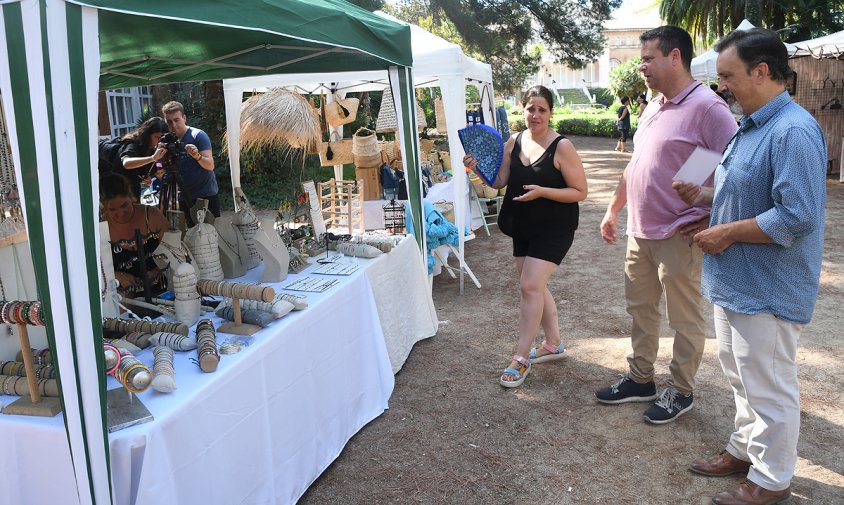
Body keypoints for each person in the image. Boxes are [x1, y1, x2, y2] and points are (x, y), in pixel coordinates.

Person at [673, 28, 826, 505]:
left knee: (769, 385)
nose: (721, 87)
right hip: (736, 280)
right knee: (742, 376)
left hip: (768, 286)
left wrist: (726, 232)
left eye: (727, 76)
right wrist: (704, 200)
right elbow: (746, 194)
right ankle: (744, 450)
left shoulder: (793, 131)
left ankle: (772, 480)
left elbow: (797, 215)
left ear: (762, 72)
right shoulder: (754, 124)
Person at [595, 25, 737, 424]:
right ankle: (642, 378)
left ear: (675, 57)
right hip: (640, 231)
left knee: (683, 318)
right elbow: (638, 164)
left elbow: (736, 171)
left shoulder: (708, 108)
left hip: (679, 234)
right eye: (640, 59)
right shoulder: (654, 105)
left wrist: (711, 215)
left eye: (647, 59)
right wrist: (614, 208)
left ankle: (682, 390)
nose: (641, 66)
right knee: (640, 309)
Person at [462, 85, 587, 388]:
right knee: (535, 287)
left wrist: (543, 191)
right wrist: (477, 170)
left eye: (542, 109)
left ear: (550, 113)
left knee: (530, 285)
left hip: (555, 226)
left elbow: (580, 192)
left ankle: (520, 357)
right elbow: (502, 181)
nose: (535, 114)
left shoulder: (562, 147)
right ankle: (553, 343)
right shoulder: (513, 142)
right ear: (522, 109)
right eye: (531, 108)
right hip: (522, 224)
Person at [100, 173, 169, 298]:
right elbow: (94, 267)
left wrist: (157, 270)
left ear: (131, 197)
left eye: (124, 205)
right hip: (124, 297)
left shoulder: (151, 215)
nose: (121, 213)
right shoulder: (101, 228)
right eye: (113, 210)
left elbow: (175, 250)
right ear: (104, 208)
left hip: (163, 289)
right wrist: (116, 275)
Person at [161, 101, 217, 224]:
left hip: (205, 194)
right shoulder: (167, 142)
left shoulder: (198, 136)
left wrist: (197, 156)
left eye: (177, 120)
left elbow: (210, 165)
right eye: (169, 122)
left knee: (211, 235)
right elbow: (164, 168)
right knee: (191, 236)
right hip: (183, 197)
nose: (174, 125)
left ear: (184, 118)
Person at [117, 116, 168, 199]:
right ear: (148, 135)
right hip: (119, 188)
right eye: (157, 137)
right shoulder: (133, 144)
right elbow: (126, 163)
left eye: (162, 138)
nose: (159, 141)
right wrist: (152, 158)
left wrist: (146, 177)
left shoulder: (153, 148)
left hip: (134, 188)